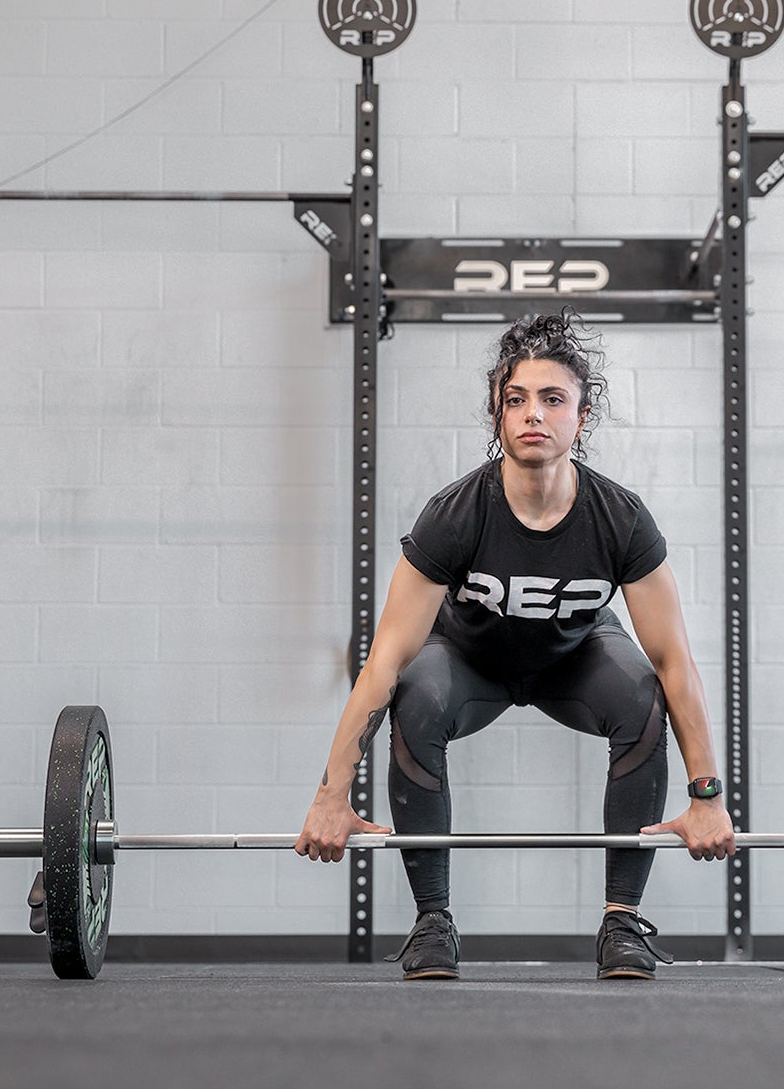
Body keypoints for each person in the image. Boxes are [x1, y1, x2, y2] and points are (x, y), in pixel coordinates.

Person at [295, 311, 735, 980]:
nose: (533, 414)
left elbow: (675, 662)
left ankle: (622, 922)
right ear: (497, 416)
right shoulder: (453, 515)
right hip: (469, 661)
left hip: (575, 659)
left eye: (553, 399)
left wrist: (706, 796)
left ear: (581, 418)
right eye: (516, 400)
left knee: (643, 696)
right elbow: (384, 659)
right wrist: (331, 793)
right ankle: (432, 922)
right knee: (414, 695)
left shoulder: (620, 518)